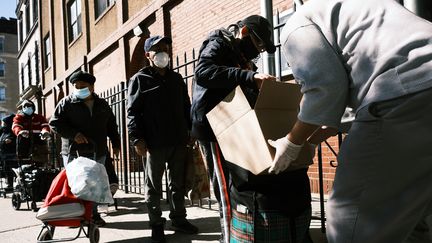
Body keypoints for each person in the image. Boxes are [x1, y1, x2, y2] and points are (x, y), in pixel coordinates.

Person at [277, 0, 432, 242]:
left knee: (349, 217)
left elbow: (324, 88)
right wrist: (309, 142)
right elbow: (341, 107)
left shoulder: (299, 22)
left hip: (406, 91)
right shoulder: (363, 7)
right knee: (408, 213)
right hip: (417, 89)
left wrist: (291, 141)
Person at [191, 15, 313, 242]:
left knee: (237, 186)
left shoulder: (241, 56)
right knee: (226, 190)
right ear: (244, 31)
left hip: (235, 126)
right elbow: (203, 73)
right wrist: (250, 76)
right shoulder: (218, 42)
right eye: (257, 45)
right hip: (214, 127)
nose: (256, 53)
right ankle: (228, 236)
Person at [126, 35, 198, 243]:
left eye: (164, 48)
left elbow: (186, 106)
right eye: (156, 49)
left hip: (178, 139)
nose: (162, 52)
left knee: (178, 183)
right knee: (154, 186)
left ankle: (178, 218)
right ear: (148, 55)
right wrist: (136, 139)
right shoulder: (140, 79)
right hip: (154, 142)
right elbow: (133, 112)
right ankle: (156, 224)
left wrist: (190, 130)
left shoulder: (176, 79)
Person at [49, 70, 121, 227]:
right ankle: (75, 216)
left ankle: (93, 215)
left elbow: (111, 126)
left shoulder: (102, 104)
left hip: (98, 150)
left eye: (83, 86)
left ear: (92, 87)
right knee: (76, 184)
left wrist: (116, 143)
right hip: (74, 151)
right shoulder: (66, 103)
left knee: (95, 184)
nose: (79, 88)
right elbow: (54, 124)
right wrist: (74, 134)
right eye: (76, 86)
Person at [12, 100, 51, 164]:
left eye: (29, 106)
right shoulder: (19, 118)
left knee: (41, 160)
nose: (28, 108)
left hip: (39, 141)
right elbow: (15, 126)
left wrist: (45, 131)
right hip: (24, 142)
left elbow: (45, 125)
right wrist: (20, 132)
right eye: (25, 106)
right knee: (25, 161)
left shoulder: (39, 117)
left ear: (33, 107)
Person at [0, 114, 17, 190]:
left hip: (12, 155)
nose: (3, 124)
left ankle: (16, 184)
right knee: (6, 170)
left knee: (13, 170)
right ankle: (10, 185)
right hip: (4, 155)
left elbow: (12, 141)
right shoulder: (3, 131)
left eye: (4, 123)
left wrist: (7, 141)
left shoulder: (12, 132)